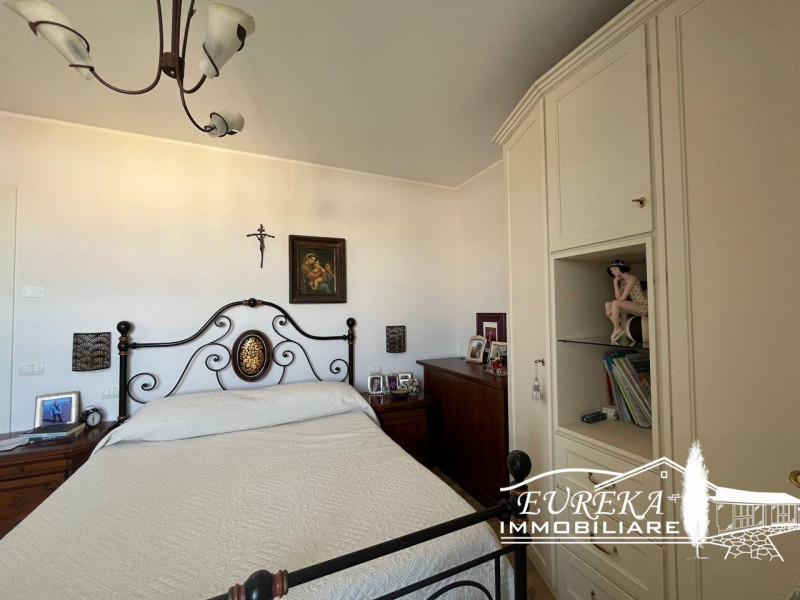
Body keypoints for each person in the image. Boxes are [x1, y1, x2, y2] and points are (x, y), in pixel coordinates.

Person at [604, 259, 648, 342]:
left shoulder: (632, 278)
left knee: (615, 303)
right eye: (611, 270)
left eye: (614, 269)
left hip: (642, 306)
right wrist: (615, 283)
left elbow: (622, 299)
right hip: (634, 305)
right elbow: (618, 298)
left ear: (620, 268)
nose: (612, 272)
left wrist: (611, 311)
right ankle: (617, 326)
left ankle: (616, 327)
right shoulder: (623, 281)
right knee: (608, 304)